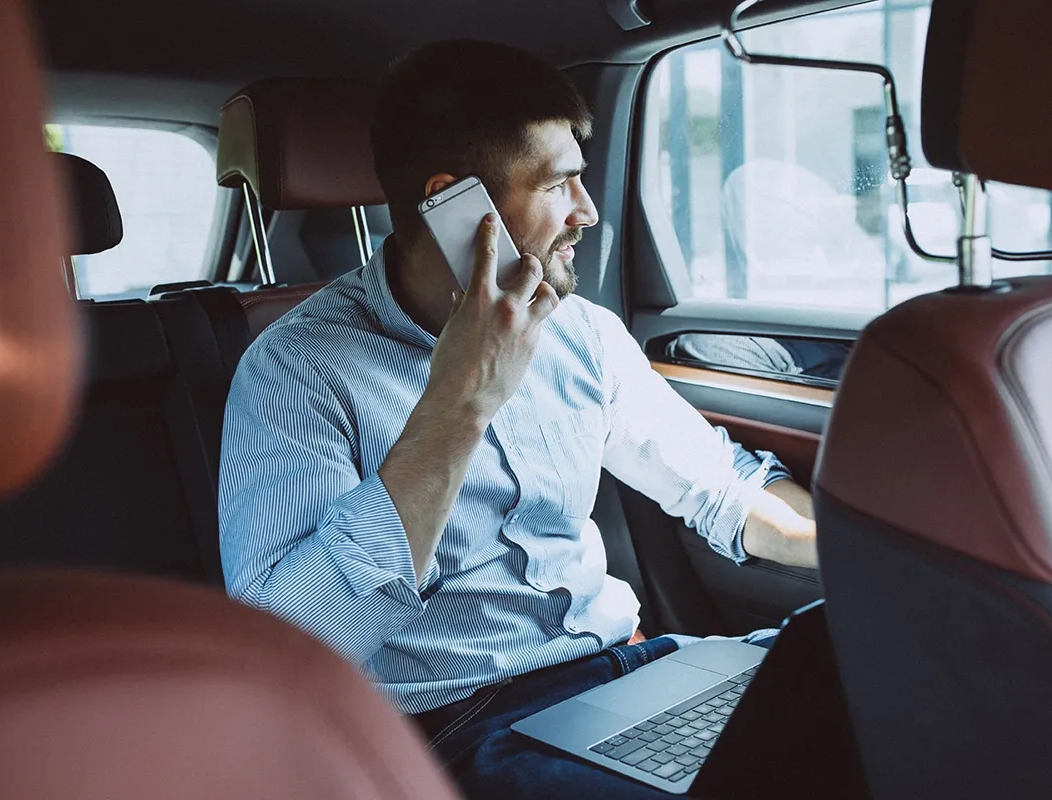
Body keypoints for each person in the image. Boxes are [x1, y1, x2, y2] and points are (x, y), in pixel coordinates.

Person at [218, 39, 817, 798]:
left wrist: (876, 559)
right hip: (461, 728)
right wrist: (459, 404)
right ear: (455, 202)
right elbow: (290, 649)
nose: (587, 211)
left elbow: (722, 488)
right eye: (559, 183)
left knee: (867, 702)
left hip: (636, 668)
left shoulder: (582, 332)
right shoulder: (296, 369)